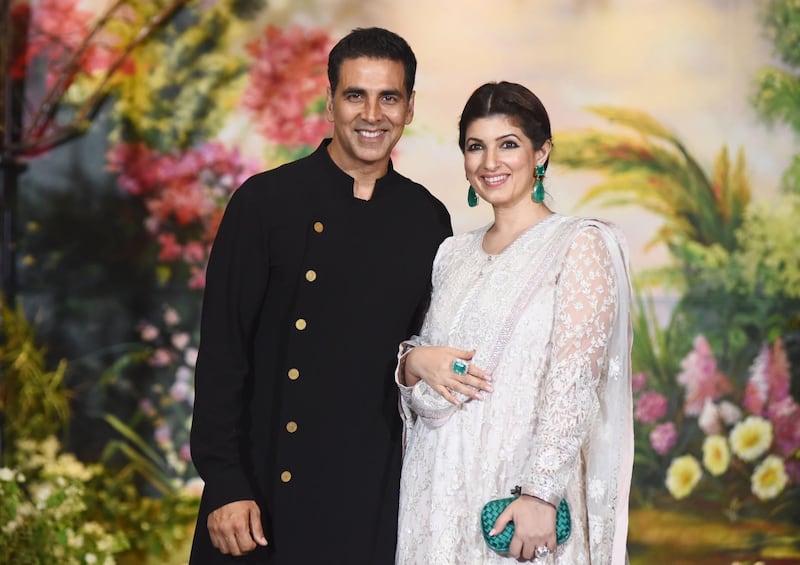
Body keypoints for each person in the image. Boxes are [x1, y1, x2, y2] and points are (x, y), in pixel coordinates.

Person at [188, 27, 452, 565]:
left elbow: (421, 351)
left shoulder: (427, 219)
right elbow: (222, 353)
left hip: (370, 496)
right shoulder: (264, 203)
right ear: (329, 101)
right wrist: (224, 482)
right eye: (356, 95)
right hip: (259, 497)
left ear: (409, 108)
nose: (372, 114)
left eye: (389, 97)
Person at [395, 81, 633, 564]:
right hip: (436, 487)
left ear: (541, 152)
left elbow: (574, 379)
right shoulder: (451, 254)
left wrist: (541, 495)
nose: (490, 163)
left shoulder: (578, 244)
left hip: (516, 493)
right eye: (475, 147)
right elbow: (430, 359)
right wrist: (413, 361)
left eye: (508, 145)